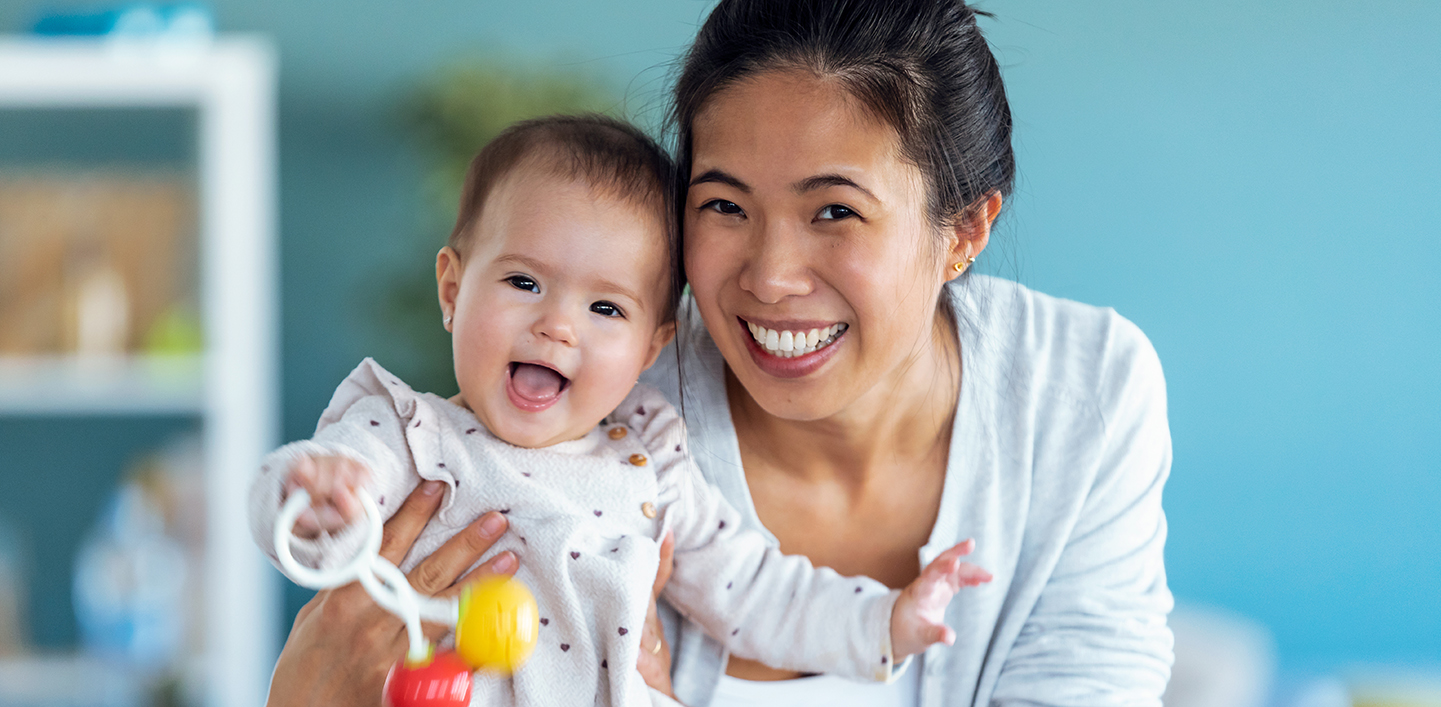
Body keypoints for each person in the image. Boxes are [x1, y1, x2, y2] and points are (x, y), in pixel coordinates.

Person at [265, 0, 1175, 705]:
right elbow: (326, 541)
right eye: (724, 205)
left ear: (964, 230)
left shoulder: (1079, 395)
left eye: (835, 211)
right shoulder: (606, 401)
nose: (769, 277)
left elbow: (761, 592)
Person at [252, 114, 991, 707]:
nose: (558, 326)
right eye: (524, 282)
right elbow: (307, 514)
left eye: (606, 306)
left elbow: (753, 589)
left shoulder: (650, 454)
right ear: (452, 289)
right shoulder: (403, 430)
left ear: (649, 347)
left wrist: (883, 620)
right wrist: (320, 495)